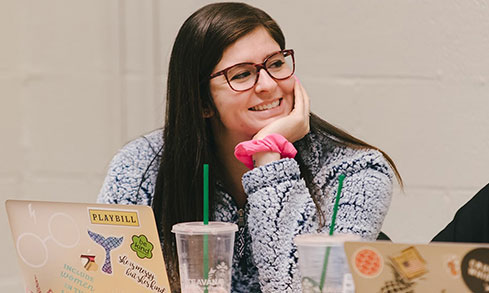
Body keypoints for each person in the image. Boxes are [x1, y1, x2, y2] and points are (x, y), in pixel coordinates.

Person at [97, 2, 402, 292]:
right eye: (242, 74)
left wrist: (270, 155)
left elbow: (295, 290)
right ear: (202, 102)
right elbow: (105, 280)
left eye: (276, 63)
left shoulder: (355, 173)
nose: (268, 84)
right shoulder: (141, 165)